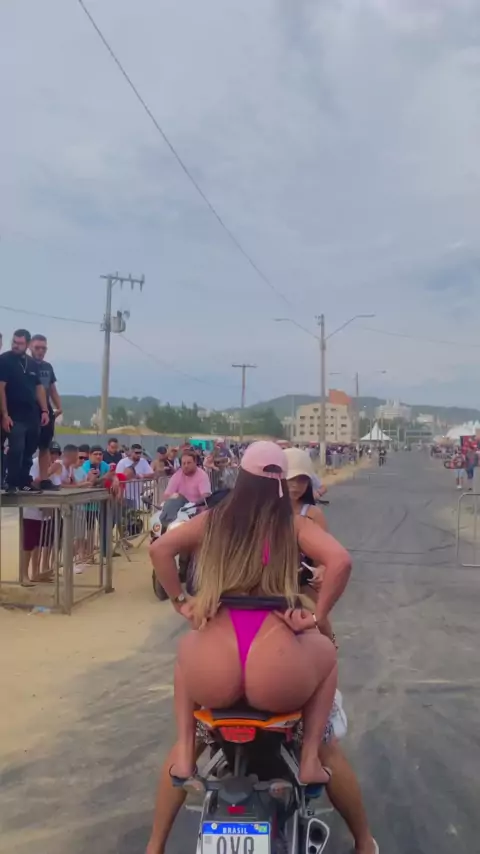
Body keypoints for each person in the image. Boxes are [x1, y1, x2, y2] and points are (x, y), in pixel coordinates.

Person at [147, 442, 352, 854]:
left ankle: (183, 759)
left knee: (186, 655)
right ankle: (310, 759)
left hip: (215, 663)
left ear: (241, 477)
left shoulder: (214, 520)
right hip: (276, 664)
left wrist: (181, 601)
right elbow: (341, 561)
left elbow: (159, 549)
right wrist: (316, 617)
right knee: (327, 657)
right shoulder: (292, 525)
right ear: (280, 482)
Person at [284, 447, 377, 854]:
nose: (292, 486)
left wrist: (318, 576)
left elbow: (332, 563)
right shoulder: (263, 518)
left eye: (299, 479)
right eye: (286, 479)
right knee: (322, 740)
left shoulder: (306, 518)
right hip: (285, 615)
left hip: (301, 604)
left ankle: (363, 840)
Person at [0, 329, 49, 493]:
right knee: (16, 448)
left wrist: (44, 410)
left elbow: (39, 387)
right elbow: (1, 388)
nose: (16, 345)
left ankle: (23, 481)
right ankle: (11, 482)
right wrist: (5, 414)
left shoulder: (32, 363)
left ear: (27, 344)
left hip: (32, 414)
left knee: (30, 448)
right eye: (14, 342)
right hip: (14, 414)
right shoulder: (4, 360)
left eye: (20, 343)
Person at [29, 334, 62, 490]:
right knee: (26, 446)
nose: (40, 351)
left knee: (45, 446)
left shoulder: (47, 367)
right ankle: (23, 478)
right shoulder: (25, 365)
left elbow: (52, 388)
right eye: (37, 348)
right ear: (30, 347)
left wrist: (59, 406)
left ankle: (44, 479)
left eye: (43, 348)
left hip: (46, 410)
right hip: (29, 409)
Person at [115, 443, 153, 508]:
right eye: (136, 453)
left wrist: (141, 475)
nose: (138, 455)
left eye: (140, 453)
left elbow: (152, 474)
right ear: (131, 452)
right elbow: (118, 478)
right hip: (125, 495)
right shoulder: (122, 462)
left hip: (137, 495)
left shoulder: (143, 461)